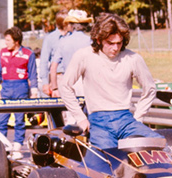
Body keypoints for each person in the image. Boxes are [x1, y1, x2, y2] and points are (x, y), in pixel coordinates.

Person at [59, 13, 162, 149]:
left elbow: (150, 88)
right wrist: (80, 118)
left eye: (119, 43)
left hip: (126, 118)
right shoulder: (84, 55)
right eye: (110, 43)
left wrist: (138, 117)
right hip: (98, 121)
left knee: (159, 143)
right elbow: (65, 86)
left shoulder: (132, 58)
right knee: (107, 159)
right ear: (99, 39)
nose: (115, 48)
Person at [0, 26, 39, 159]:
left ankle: (17, 148)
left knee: (19, 120)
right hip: (5, 87)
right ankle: (2, 148)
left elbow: (33, 75)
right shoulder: (2, 53)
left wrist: (34, 93)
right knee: (1, 120)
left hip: (21, 88)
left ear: (16, 41)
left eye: (8, 40)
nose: (5, 43)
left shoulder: (28, 54)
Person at [49, 9, 92, 97]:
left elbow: (53, 67)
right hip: (87, 82)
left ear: (71, 25)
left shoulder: (63, 42)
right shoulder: (90, 41)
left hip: (68, 81)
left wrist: (54, 87)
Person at [39, 9, 69, 97]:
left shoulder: (72, 37)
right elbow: (44, 61)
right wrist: (45, 82)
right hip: (56, 77)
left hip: (71, 76)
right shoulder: (50, 38)